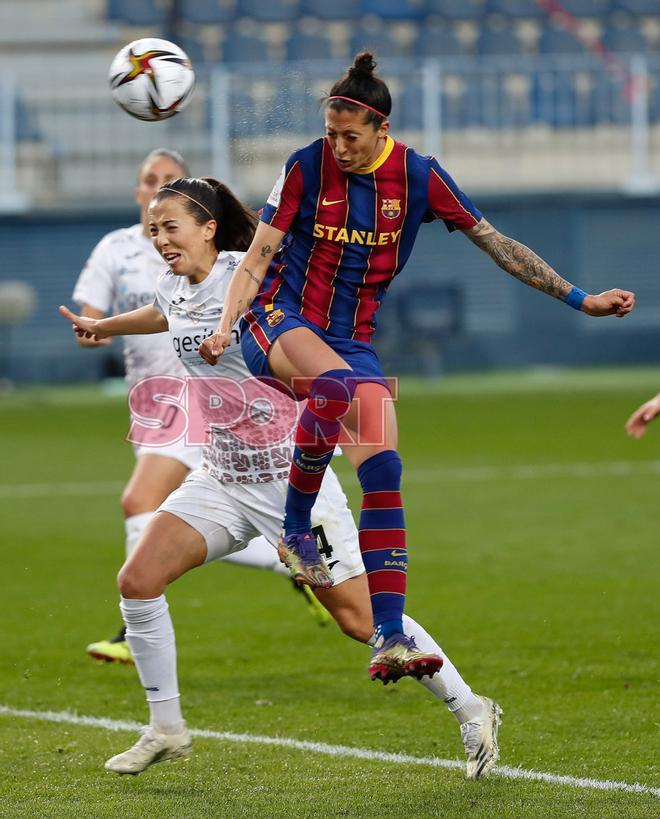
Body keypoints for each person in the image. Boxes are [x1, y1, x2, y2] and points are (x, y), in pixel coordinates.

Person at [199, 52, 636, 684]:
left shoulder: (421, 178)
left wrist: (580, 298)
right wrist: (224, 326)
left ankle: (389, 635)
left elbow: (499, 245)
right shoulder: (303, 166)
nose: (339, 146)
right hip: (277, 320)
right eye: (332, 132)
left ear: (382, 131)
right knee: (337, 388)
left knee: (383, 470)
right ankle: (296, 530)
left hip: (351, 339)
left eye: (352, 136)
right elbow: (258, 257)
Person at [60, 176, 502, 780]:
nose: (161, 240)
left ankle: (472, 709)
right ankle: (166, 728)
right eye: (154, 230)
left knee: (359, 619)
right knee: (138, 581)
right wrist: (105, 327)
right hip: (221, 477)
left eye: (172, 228)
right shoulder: (172, 283)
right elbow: (163, 313)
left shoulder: (254, 276)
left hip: (293, 481)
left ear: (209, 228)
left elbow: (298, 332)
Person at [72, 150, 328, 664]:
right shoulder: (125, 252)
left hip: (225, 412)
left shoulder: (239, 268)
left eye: (171, 182)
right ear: (140, 191)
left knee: (138, 502)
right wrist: (98, 326)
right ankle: (292, 563)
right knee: (200, 520)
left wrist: (231, 330)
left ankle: (132, 628)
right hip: (165, 405)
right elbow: (152, 311)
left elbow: (273, 288)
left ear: (205, 221)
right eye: (151, 182)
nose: (159, 189)